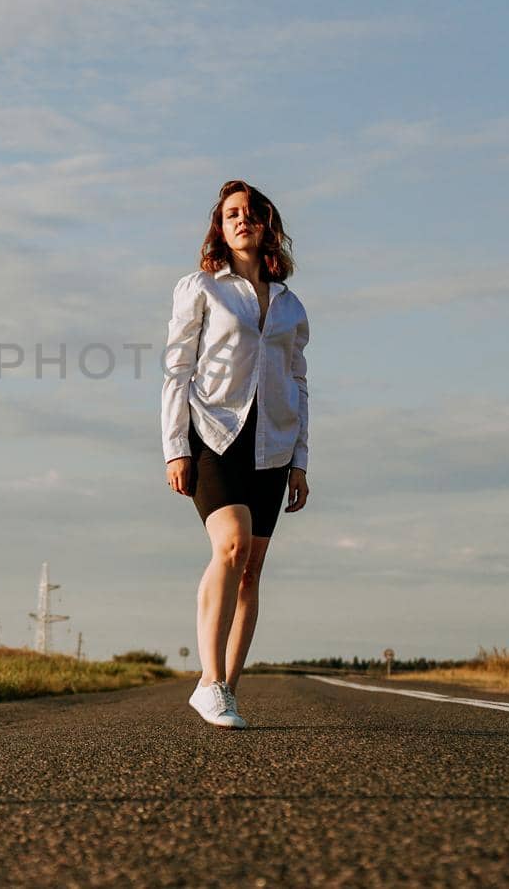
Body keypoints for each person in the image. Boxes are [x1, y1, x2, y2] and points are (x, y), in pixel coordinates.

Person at [160, 180, 310, 728]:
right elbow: (177, 370)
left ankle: (226, 688)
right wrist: (176, 448)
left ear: (267, 224)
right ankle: (208, 681)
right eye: (231, 215)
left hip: (273, 445)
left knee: (250, 571)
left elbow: (299, 382)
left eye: (251, 213)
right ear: (220, 229)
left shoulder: (291, 306)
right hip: (212, 435)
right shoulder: (201, 288)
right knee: (232, 545)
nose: (242, 221)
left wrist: (300, 460)